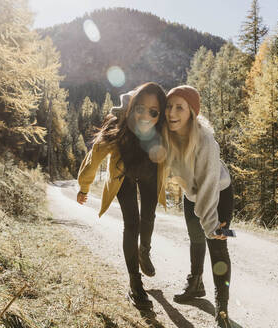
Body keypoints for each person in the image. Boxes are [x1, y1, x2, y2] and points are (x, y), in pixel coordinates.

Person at [76, 82, 167, 310]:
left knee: (149, 215)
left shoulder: (162, 129)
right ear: (130, 109)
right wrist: (84, 187)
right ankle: (135, 283)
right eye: (140, 109)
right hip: (123, 174)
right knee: (132, 223)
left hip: (148, 171)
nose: (146, 116)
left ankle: (144, 251)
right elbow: (93, 158)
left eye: (154, 112)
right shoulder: (116, 128)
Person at [163, 85, 234, 327]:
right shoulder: (168, 135)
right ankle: (195, 284)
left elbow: (208, 187)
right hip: (191, 196)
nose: (172, 112)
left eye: (179, 108)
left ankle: (221, 310)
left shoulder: (206, 142)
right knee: (195, 240)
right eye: (169, 106)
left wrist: (213, 225)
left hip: (219, 194)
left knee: (217, 245)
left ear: (191, 112)